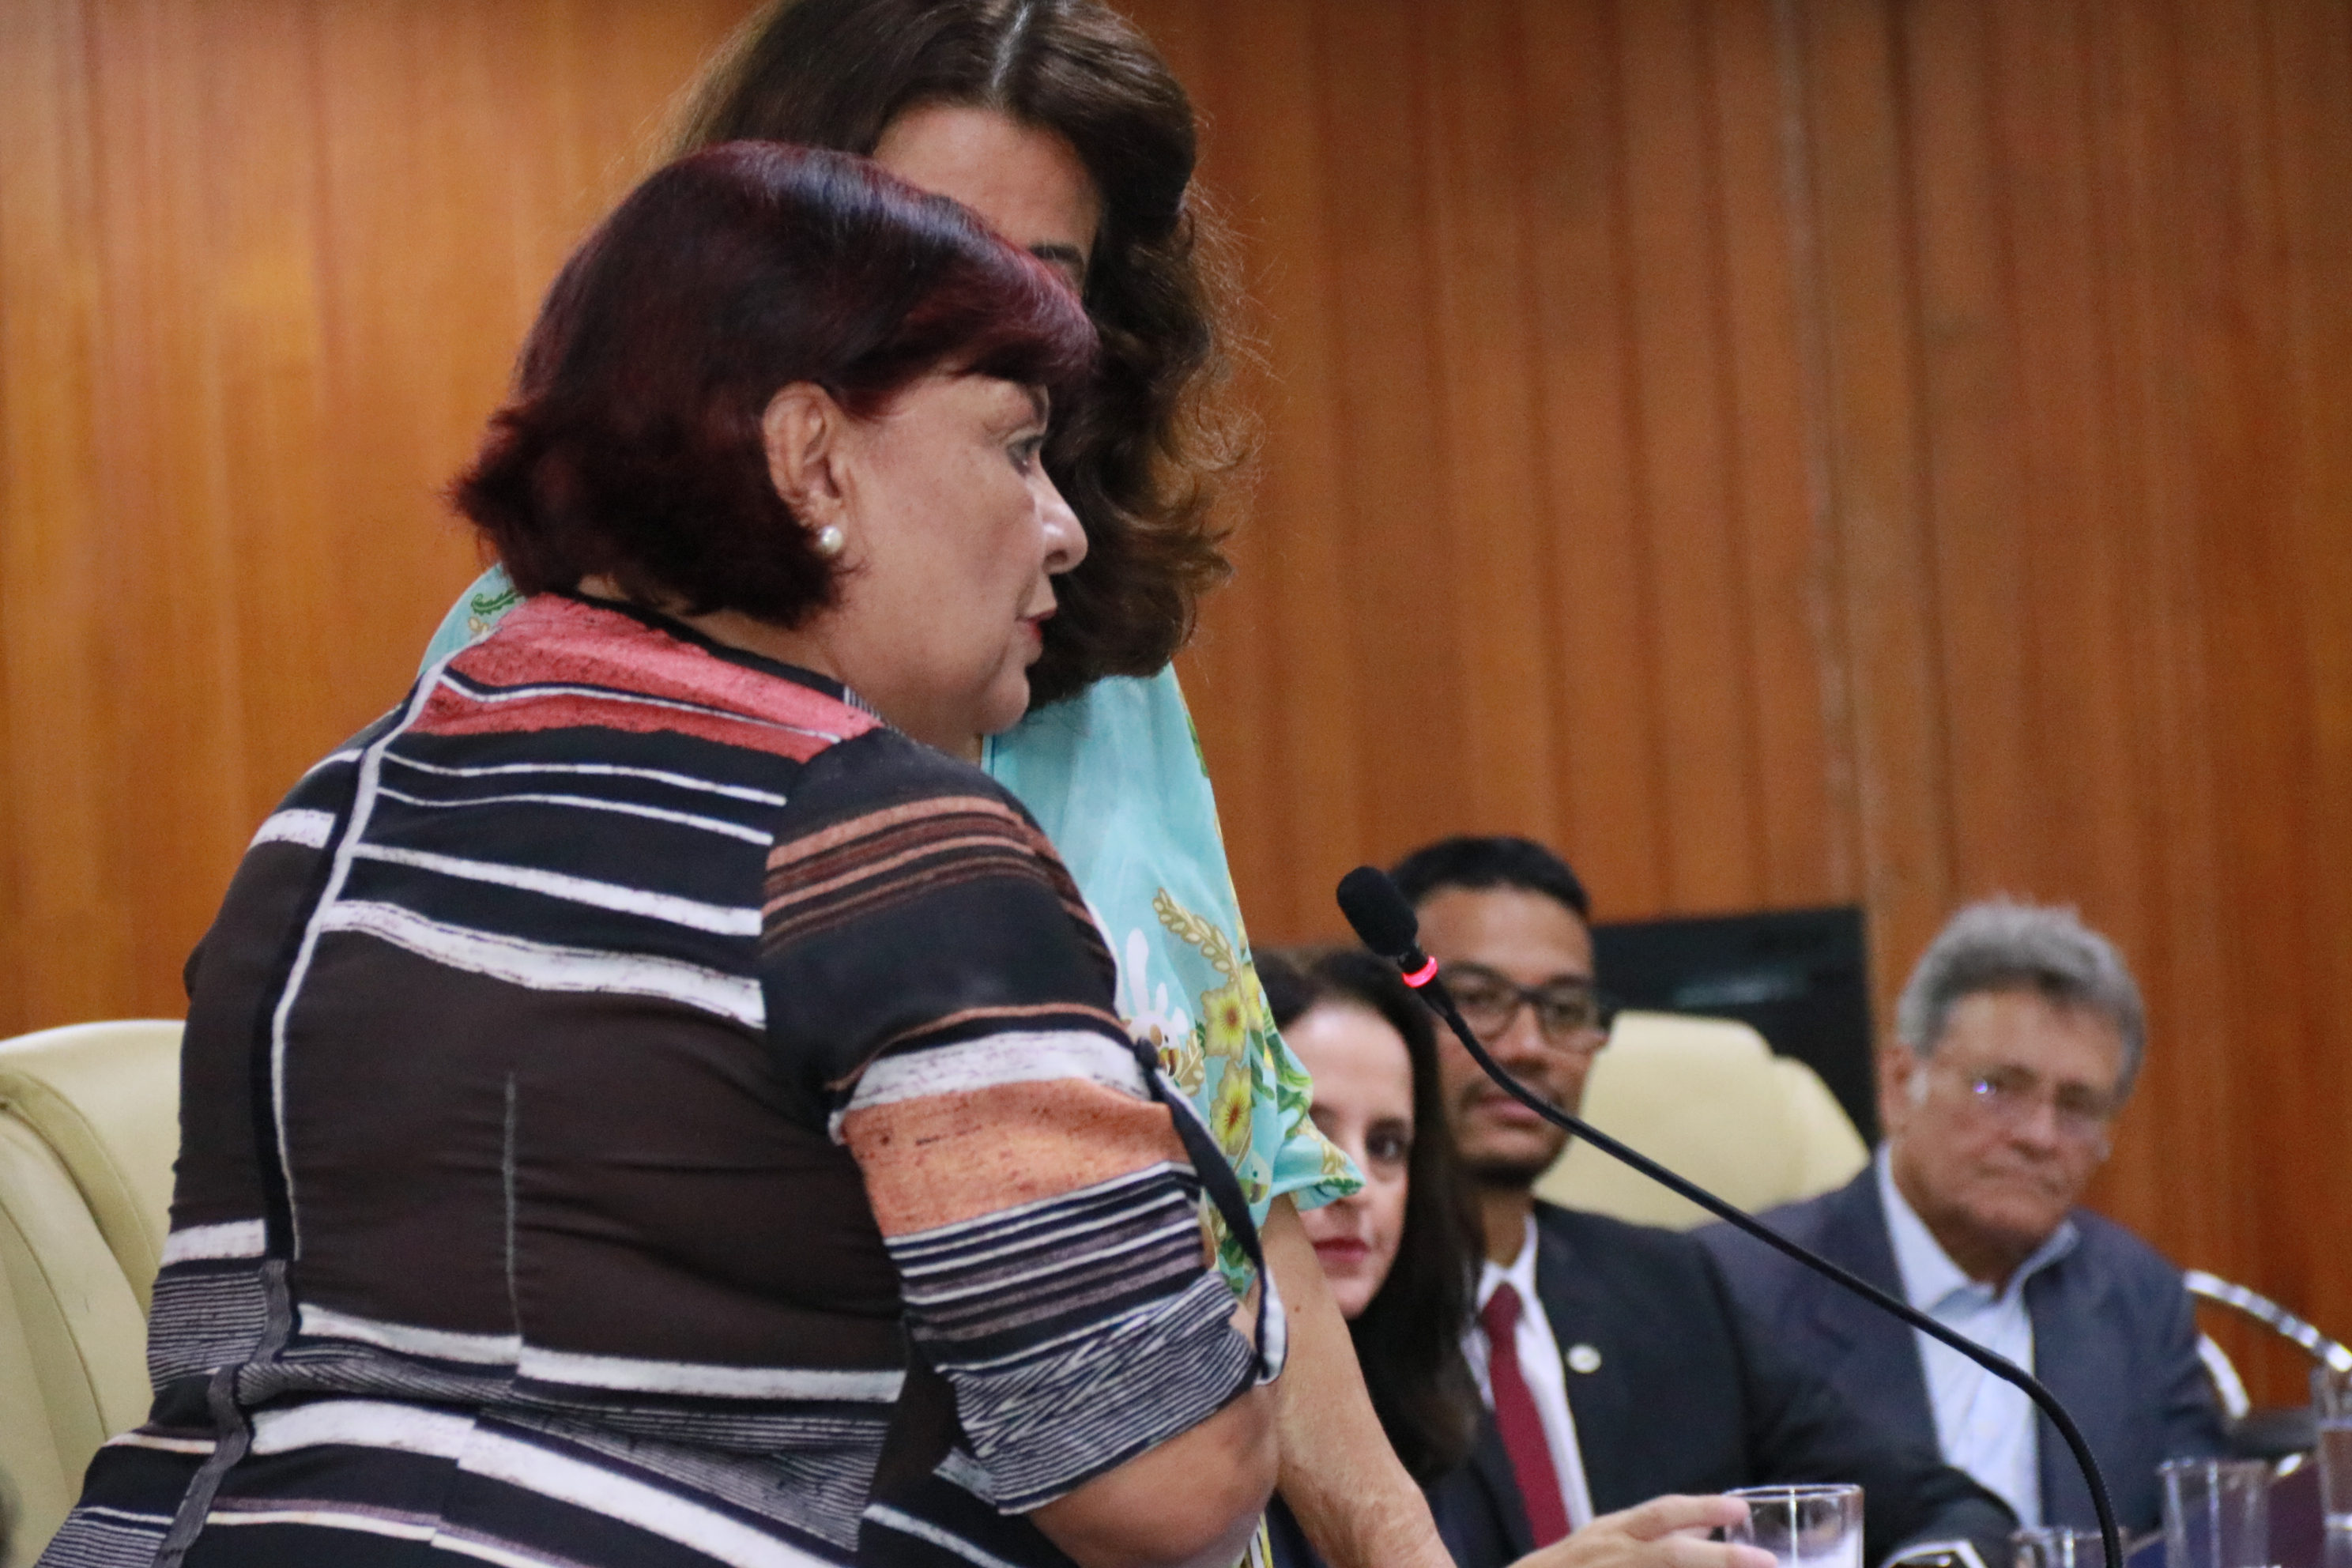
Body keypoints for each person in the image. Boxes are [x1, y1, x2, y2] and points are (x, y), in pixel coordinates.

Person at [40, 143, 1276, 1568]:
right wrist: (1230, 1312)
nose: (1061, 528)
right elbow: (1160, 1489)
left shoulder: (325, 815)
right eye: (1015, 447)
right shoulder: (882, 851)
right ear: (812, 456)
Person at [414, 6, 1426, 1565]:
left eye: (1043, 277)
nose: (992, 320)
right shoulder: (550, 656)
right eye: (927, 255)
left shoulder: (1100, 672)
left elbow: (1233, 1170)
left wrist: (1400, 1542)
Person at [1386, 835, 2017, 1568]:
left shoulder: (1671, 1288)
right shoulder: (1341, 1315)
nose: (1527, 1046)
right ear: (1388, 1018)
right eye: (1475, 1001)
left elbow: (1945, 1511)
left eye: (1564, 1008)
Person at [1699, 900, 2227, 1534]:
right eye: (1996, 1088)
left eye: (2077, 1106)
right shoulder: (1737, 1292)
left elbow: (2206, 1534)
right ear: (1900, 1085)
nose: (2039, 1135)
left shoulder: (2139, 1297)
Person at [1256, 948, 1772, 1568]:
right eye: (1307, 1138)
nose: (1357, 1186)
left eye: (1388, 1146)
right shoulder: (1192, 1431)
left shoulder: (1423, 1396)